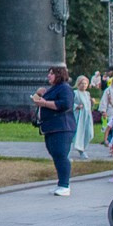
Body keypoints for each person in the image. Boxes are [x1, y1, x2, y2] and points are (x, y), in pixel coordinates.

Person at [31, 67, 77, 196]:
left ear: (59, 75)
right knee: (56, 155)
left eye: (51, 74)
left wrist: (45, 103)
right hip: (50, 127)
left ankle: (65, 185)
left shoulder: (64, 88)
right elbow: (39, 102)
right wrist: (38, 94)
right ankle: (60, 183)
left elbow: (65, 104)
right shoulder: (53, 89)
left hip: (62, 127)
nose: (48, 76)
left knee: (61, 154)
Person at [72, 75, 96, 159]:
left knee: (89, 133)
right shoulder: (75, 93)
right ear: (78, 84)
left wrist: (92, 102)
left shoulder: (87, 93)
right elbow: (70, 104)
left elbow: (89, 106)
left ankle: (83, 147)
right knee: (79, 133)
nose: (84, 85)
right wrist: (76, 106)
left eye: (85, 83)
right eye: (82, 83)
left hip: (87, 117)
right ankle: (81, 150)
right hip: (79, 116)